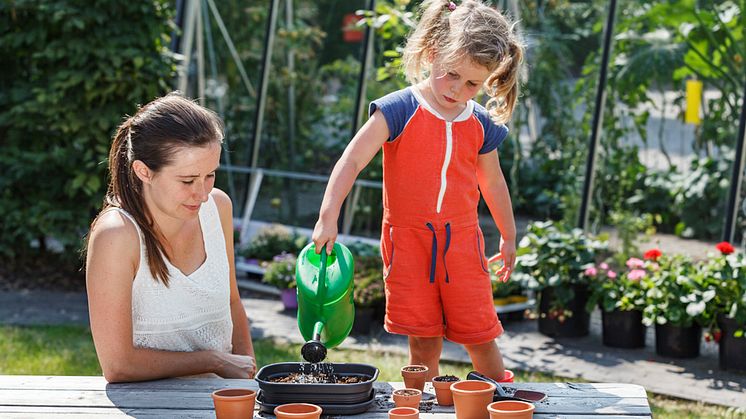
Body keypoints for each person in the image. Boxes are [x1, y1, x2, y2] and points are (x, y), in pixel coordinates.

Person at [312, 0, 522, 381]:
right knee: (422, 339)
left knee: (480, 335)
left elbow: (492, 181)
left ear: (488, 80)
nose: (458, 90)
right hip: (407, 242)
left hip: (462, 242)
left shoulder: (479, 123)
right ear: (431, 54)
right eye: (451, 74)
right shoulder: (398, 109)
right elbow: (351, 161)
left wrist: (508, 235)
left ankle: (500, 398)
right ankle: (422, 402)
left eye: (473, 83)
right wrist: (328, 216)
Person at [85, 93, 256, 382]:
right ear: (144, 171)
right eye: (187, 180)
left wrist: (249, 382)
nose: (202, 194)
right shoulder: (116, 235)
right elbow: (118, 365)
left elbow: (232, 303)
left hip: (220, 403)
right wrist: (212, 361)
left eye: (210, 175)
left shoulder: (218, 207)